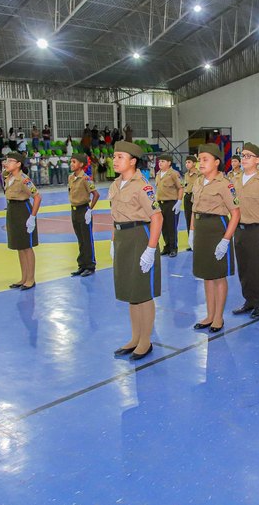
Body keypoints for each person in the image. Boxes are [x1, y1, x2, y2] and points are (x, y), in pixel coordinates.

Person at [109, 140, 162, 361]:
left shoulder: (143, 186)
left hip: (140, 237)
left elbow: (157, 218)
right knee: (131, 293)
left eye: (120, 157)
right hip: (122, 238)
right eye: (114, 157)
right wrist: (114, 241)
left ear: (132, 161)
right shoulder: (115, 185)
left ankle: (145, 341)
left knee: (143, 292)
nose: (115, 160)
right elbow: (114, 218)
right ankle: (135, 337)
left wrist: (150, 249)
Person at [190, 143, 241, 331]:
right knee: (206, 275)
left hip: (217, 229)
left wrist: (226, 240)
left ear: (217, 162)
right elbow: (194, 209)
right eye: (199, 159)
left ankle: (218, 317)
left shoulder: (225, 184)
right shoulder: (197, 182)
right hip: (201, 229)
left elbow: (235, 213)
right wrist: (191, 231)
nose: (200, 163)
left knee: (218, 276)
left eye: (205, 159)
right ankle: (209, 315)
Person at [230, 143, 259, 319]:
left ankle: (258, 303)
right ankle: (248, 300)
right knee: (243, 267)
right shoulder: (234, 180)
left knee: (256, 268)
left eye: (248, 156)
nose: (244, 158)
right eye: (243, 155)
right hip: (239, 230)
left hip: (256, 229)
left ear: (258, 160)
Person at [3, 152, 41, 290]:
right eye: (6, 160)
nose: (7, 163)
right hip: (12, 210)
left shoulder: (24, 179)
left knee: (26, 246)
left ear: (19, 164)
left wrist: (32, 216)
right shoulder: (9, 177)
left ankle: (30, 279)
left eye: (10, 161)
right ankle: (23, 277)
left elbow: (37, 197)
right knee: (19, 246)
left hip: (23, 210)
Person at [68, 153, 100, 277]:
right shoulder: (71, 177)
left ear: (81, 164)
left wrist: (90, 209)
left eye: (74, 162)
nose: (71, 164)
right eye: (71, 161)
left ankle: (90, 265)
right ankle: (82, 265)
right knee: (80, 239)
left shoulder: (86, 179)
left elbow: (96, 194)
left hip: (83, 210)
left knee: (87, 239)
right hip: (74, 210)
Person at [154, 154, 183, 257]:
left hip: (171, 203)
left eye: (163, 161)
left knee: (171, 227)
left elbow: (180, 188)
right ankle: (166, 247)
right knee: (163, 227)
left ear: (169, 163)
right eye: (159, 161)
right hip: (160, 204)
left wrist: (179, 202)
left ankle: (173, 248)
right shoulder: (158, 174)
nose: (160, 163)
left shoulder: (173, 174)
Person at [181, 155, 199, 251]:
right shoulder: (186, 175)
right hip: (187, 197)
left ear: (194, 163)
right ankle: (191, 242)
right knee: (188, 219)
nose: (187, 164)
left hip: (196, 197)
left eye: (189, 162)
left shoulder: (199, 174)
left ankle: (198, 242)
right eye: (186, 162)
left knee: (196, 220)